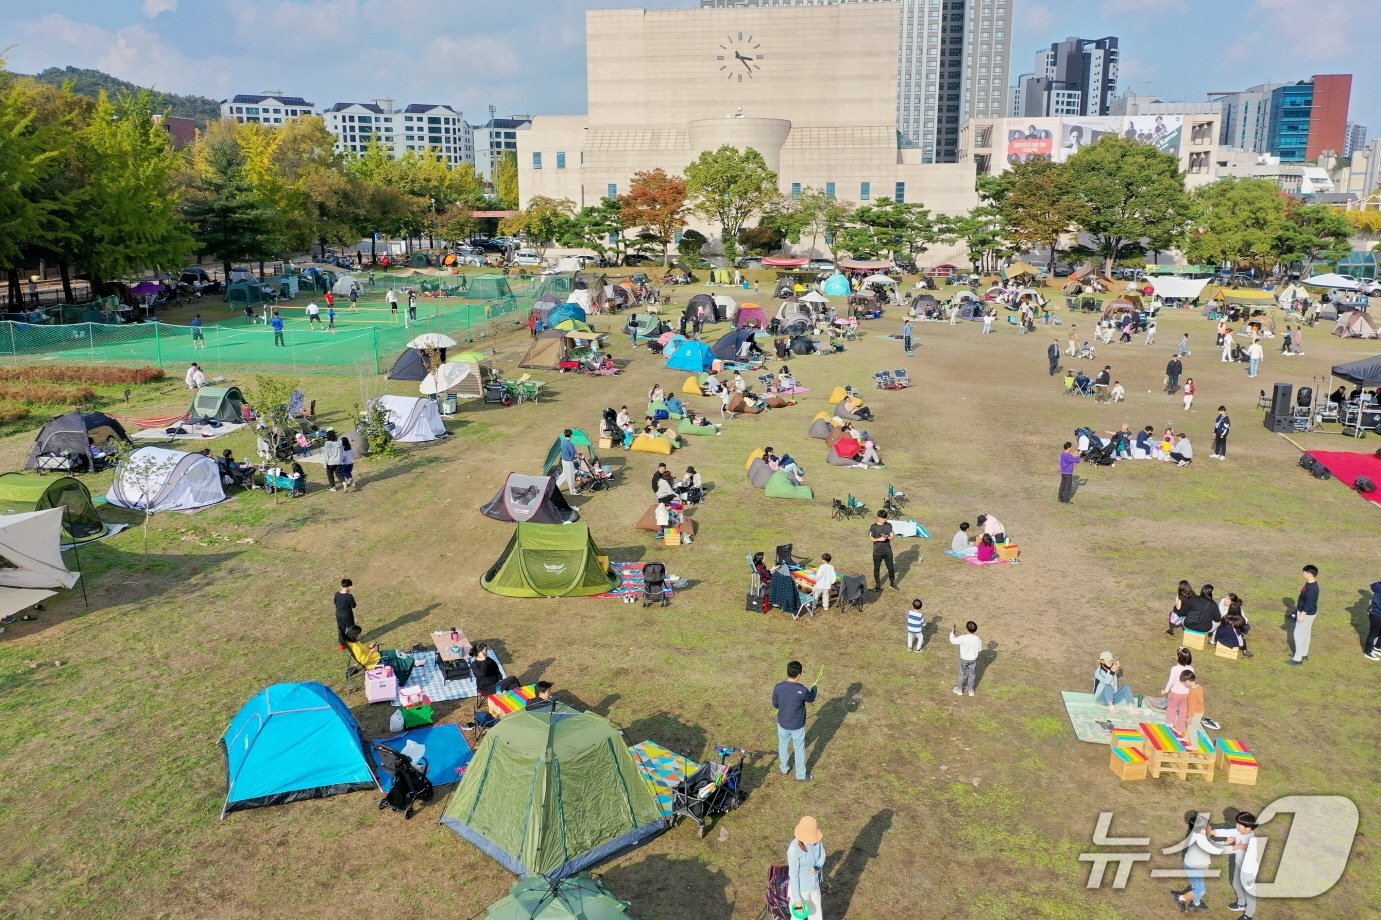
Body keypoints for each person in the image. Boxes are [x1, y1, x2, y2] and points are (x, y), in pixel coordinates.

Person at [1173, 812, 1231, 912]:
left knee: (1196, 887)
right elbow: (1215, 849)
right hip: (1194, 867)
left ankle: (1196, 903)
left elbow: (1210, 843)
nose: (1210, 826)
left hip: (1195, 865)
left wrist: (1225, 842)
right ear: (1202, 830)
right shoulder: (1201, 840)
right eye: (1208, 825)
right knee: (1200, 890)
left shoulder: (1199, 835)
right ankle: (1180, 898)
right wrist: (1234, 847)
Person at [772, 660, 818, 781]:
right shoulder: (802, 690)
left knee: (783, 745)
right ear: (799, 675)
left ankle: (784, 768)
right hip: (797, 725)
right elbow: (811, 698)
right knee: (799, 749)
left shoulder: (778, 687)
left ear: (788, 672)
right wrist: (814, 688)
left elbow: (775, 704)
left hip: (783, 723)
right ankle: (801, 775)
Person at [1217, 812, 1262, 919]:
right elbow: (1227, 832)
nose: (1236, 826)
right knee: (1236, 885)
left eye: (1239, 825)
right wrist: (1212, 831)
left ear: (1248, 828)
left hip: (1248, 871)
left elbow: (1234, 849)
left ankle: (1248, 915)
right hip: (1239, 864)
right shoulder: (1240, 832)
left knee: (1249, 893)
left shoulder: (1251, 842)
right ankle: (1241, 904)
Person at [344, 625, 415, 686]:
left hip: (376, 656)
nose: (361, 634)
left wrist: (369, 647)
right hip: (374, 662)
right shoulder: (355, 647)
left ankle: (410, 662)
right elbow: (363, 661)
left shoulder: (353, 643)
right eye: (359, 633)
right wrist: (371, 651)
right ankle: (409, 668)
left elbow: (362, 650)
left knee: (396, 652)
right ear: (355, 635)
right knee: (397, 661)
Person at [787, 816, 826, 920]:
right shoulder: (793, 850)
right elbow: (793, 875)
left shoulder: (817, 841)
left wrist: (817, 866)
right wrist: (797, 899)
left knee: (817, 916)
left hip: (814, 885)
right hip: (801, 890)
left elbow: (822, 855)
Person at [1288, 564, 1319, 665]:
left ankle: (1298, 658)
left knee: (1298, 634)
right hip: (1308, 613)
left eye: (1304, 572)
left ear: (1309, 574)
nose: (1303, 574)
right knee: (1306, 633)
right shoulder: (1310, 584)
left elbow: (1309, 603)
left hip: (1306, 614)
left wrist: (1302, 615)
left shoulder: (1311, 589)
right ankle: (1303, 653)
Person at [1162, 647, 1193, 735]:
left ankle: (1170, 722)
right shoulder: (1191, 669)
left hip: (1175, 693)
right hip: (1186, 694)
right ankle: (1180, 728)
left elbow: (1171, 681)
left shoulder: (1174, 669)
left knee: (1172, 708)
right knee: (1183, 711)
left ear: (1179, 657)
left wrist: (1166, 690)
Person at [950, 620, 982, 696]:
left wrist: (952, 633)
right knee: (972, 675)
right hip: (972, 660)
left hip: (964, 659)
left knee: (962, 674)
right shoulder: (977, 639)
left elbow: (953, 641)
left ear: (967, 629)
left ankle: (959, 689)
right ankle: (971, 690)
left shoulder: (963, 637)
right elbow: (980, 649)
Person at [869, 510, 897, 592]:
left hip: (887, 551)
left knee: (891, 568)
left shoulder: (889, 525)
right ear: (879, 518)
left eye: (885, 518)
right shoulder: (873, 527)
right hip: (877, 552)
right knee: (876, 569)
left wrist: (887, 537)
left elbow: (892, 536)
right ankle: (877, 585)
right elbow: (871, 538)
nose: (885, 520)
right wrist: (879, 539)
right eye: (883, 518)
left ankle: (892, 583)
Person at [334, 578, 358, 647]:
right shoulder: (349, 596)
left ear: (341, 586)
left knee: (341, 629)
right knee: (351, 629)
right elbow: (353, 606)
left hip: (338, 614)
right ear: (350, 587)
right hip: (347, 615)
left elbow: (335, 602)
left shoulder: (337, 594)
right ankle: (352, 642)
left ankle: (342, 644)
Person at [1183, 670, 1206, 737]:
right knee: (1189, 726)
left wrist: (1189, 717)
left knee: (1191, 729)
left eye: (1184, 682)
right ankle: (1187, 739)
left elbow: (1192, 706)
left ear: (1188, 681)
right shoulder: (1198, 687)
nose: (1184, 684)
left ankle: (1194, 745)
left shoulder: (1192, 692)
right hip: (1199, 710)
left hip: (1196, 712)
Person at [557, 429, 580, 496]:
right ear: (571, 435)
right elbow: (574, 454)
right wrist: (580, 456)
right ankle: (572, 491)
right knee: (571, 477)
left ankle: (556, 487)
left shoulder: (563, 441)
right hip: (568, 462)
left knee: (564, 475)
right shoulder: (570, 444)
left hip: (563, 461)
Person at [1366, 581, 1381, 661]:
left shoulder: (1378, 586)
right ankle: (1368, 652)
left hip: (1375, 615)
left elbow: (1372, 585)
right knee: (1373, 634)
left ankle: (1377, 647)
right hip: (1377, 615)